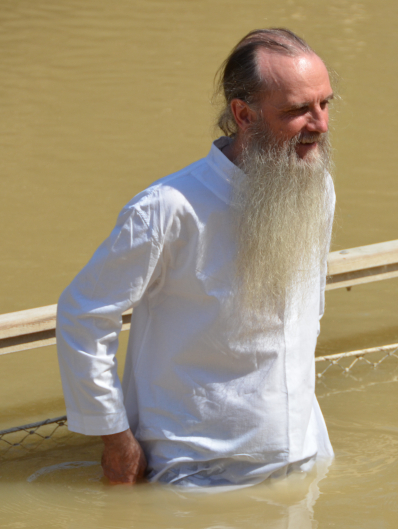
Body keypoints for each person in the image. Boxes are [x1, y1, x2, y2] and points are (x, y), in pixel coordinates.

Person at [56, 28, 336, 488]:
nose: (320, 124)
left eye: (325, 103)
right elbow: (82, 315)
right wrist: (116, 439)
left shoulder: (315, 184)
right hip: (196, 478)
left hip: (304, 460)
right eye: (297, 110)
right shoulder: (166, 209)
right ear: (243, 115)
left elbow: (310, 310)